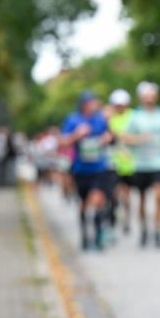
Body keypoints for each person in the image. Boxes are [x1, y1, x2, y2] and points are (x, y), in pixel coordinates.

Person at [60, 91, 112, 250]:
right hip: (80, 169)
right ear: (84, 104)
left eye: (95, 102)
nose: (95, 105)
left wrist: (105, 139)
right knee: (83, 203)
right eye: (92, 102)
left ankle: (97, 237)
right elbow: (63, 142)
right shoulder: (72, 119)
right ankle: (84, 237)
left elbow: (109, 135)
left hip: (99, 167)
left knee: (97, 200)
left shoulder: (100, 119)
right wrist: (77, 134)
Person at [124, 81, 160, 249]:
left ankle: (157, 230)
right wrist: (140, 139)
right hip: (140, 164)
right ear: (141, 98)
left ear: (156, 97)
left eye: (152, 96)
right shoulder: (134, 116)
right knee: (142, 199)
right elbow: (126, 138)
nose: (149, 99)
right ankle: (144, 229)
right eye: (146, 96)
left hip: (159, 162)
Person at [107, 89, 136, 236]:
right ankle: (115, 217)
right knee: (114, 193)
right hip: (114, 162)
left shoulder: (133, 117)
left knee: (126, 194)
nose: (120, 107)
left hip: (130, 162)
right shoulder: (109, 118)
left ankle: (127, 219)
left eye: (122, 104)